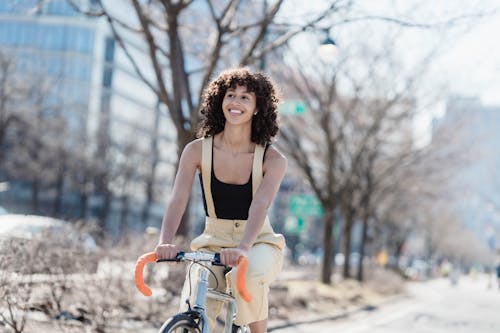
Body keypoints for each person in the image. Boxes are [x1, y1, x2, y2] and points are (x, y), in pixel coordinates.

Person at [155, 67, 286, 333]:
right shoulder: (196, 150)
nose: (235, 102)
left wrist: (244, 248)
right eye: (230, 95)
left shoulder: (273, 160)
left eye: (245, 97)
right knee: (194, 296)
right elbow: (178, 198)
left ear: (258, 108)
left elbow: (259, 205)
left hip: (258, 241)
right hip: (212, 241)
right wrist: (165, 241)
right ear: (220, 100)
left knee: (247, 278)